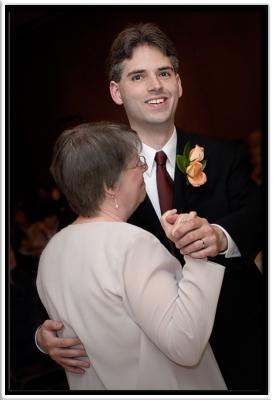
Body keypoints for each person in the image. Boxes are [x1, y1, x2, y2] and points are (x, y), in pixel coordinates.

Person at [35, 23, 264, 390]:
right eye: (138, 76)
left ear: (179, 84)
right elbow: (70, 260)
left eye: (164, 73)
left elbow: (259, 215)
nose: (155, 85)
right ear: (116, 91)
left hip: (243, 340)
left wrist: (219, 238)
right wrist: (43, 334)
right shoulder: (96, 177)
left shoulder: (224, 154)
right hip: (160, 369)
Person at [36, 121, 227, 390]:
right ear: (109, 186)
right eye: (137, 163)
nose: (145, 169)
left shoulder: (51, 252)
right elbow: (185, 344)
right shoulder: (131, 243)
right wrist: (196, 254)